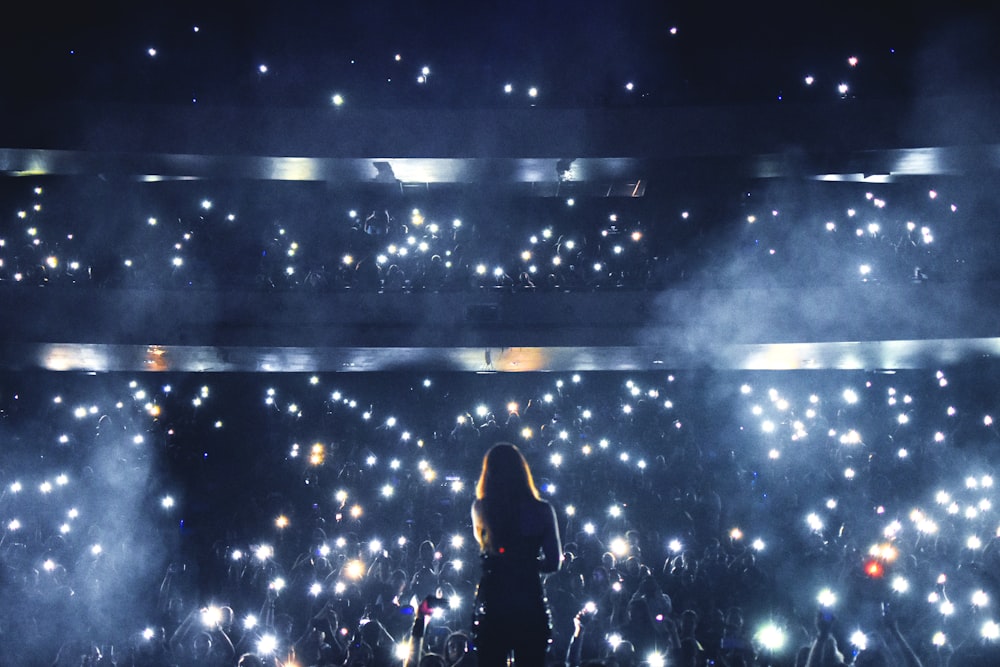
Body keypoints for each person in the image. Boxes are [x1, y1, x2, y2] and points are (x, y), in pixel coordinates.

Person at [471, 443, 563, 666]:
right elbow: (554, 562)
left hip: (494, 603)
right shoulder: (542, 510)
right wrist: (529, 564)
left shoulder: (480, 508)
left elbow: (486, 548)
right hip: (529, 601)